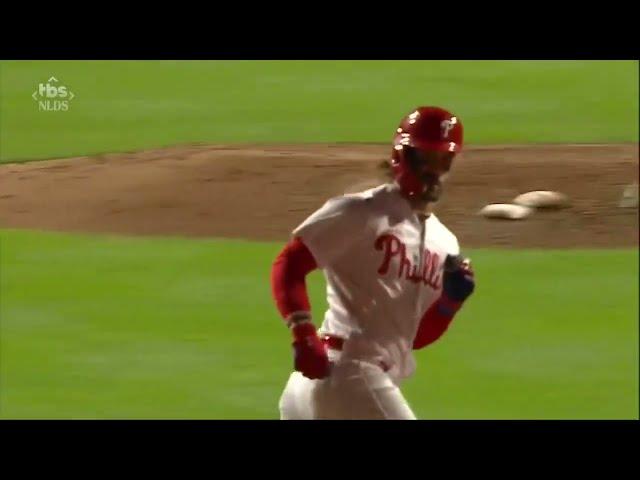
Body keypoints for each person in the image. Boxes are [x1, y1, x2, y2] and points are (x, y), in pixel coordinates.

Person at [270, 106, 476, 420]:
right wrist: (303, 332)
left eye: (442, 160)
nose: (433, 170)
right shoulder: (361, 211)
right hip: (348, 371)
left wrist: (449, 303)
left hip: (344, 385)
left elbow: (414, 338)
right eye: (426, 158)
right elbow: (289, 263)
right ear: (403, 155)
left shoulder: (444, 243)